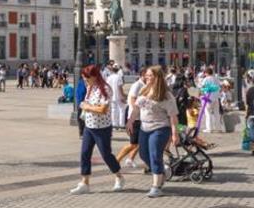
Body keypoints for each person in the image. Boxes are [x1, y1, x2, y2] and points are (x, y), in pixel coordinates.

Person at [70, 65, 125, 194]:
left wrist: (87, 107)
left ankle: (119, 176)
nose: (85, 80)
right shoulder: (90, 87)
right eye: (84, 78)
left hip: (102, 128)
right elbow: (85, 103)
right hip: (89, 126)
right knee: (85, 154)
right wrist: (87, 106)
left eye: (87, 77)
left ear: (95, 76)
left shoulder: (105, 89)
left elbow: (103, 109)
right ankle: (85, 183)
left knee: (106, 155)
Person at [128, 66, 178, 198]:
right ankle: (161, 171)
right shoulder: (144, 90)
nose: (147, 77)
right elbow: (136, 108)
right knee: (144, 154)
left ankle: (156, 186)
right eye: (147, 75)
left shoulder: (166, 95)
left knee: (155, 155)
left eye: (150, 75)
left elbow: (173, 116)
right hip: (144, 127)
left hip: (160, 128)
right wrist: (130, 121)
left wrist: (174, 134)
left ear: (158, 77)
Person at [115, 78, 144, 170]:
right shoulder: (137, 85)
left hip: (141, 118)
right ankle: (115, 161)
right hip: (135, 119)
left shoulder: (145, 85)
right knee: (133, 144)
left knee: (140, 143)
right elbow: (132, 101)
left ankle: (130, 159)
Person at [199, 67, 221, 133]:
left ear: (206, 73)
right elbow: (219, 87)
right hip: (216, 97)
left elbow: (202, 87)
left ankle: (209, 128)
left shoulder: (206, 79)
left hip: (208, 97)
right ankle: (218, 128)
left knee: (208, 113)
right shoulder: (216, 79)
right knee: (217, 113)